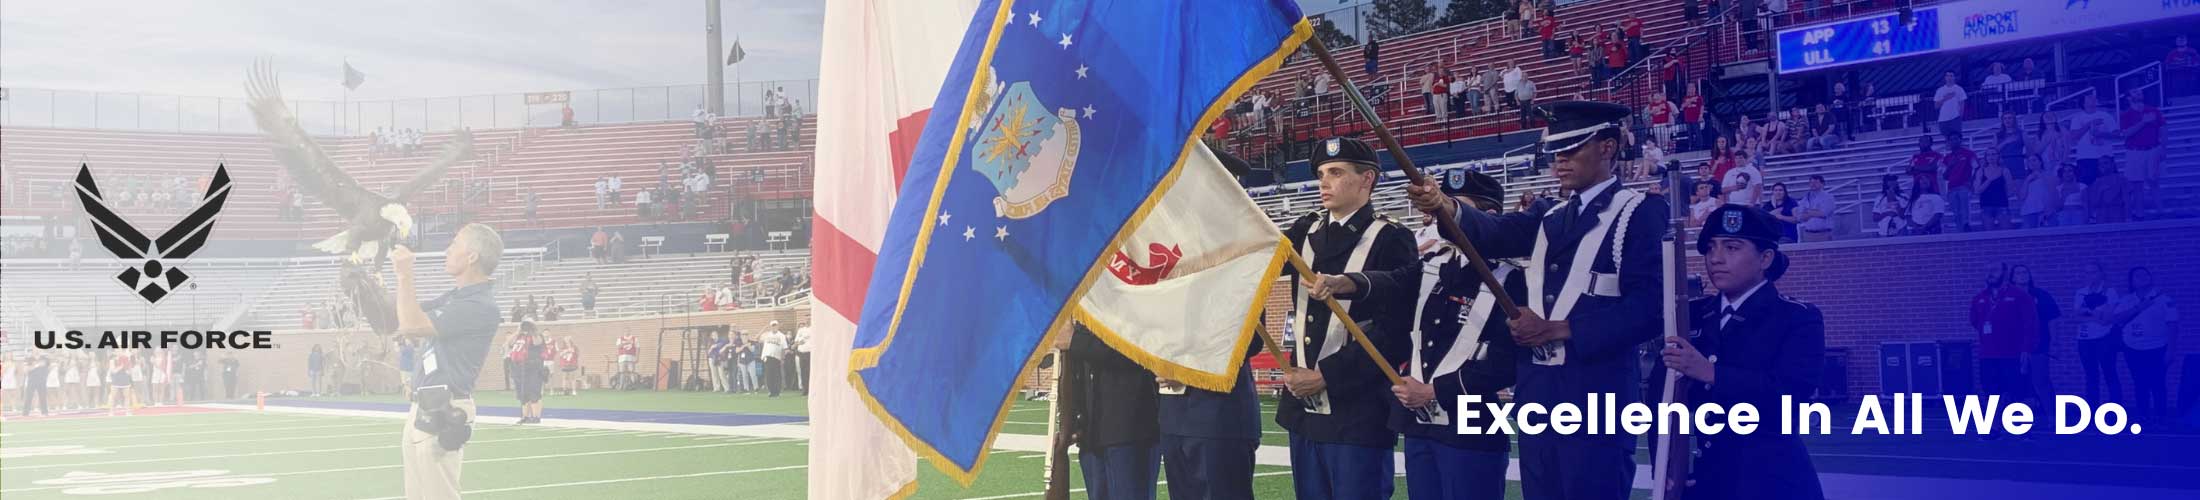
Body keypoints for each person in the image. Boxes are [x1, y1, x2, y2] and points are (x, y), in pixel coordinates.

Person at [1407, 101, 1668, 500]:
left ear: (1608, 148)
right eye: (1555, 153)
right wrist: (1447, 207)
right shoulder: (1550, 216)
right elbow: (1495, 232)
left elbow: (1649, 309)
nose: (1559, 162)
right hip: (1538, 393)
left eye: (1571, 150)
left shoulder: (1638, 212)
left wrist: (1561, 328)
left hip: (1596, 395)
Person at [1277, 137, 1420, 500]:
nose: (1324, 182)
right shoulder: (1304, 231)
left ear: (1367, 179)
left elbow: (1396, 332)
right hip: (1303, 410)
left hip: (1357, 409)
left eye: (1336, 173)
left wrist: (1326, 376)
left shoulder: (1391, 237)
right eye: (1322, 174)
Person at [1654, 204, 1826, 499]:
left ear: (1765, 258)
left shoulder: (1796, 317)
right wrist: (1668, 465)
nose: (1716, 259)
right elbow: (1661, 396)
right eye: (1710, 248)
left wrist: (1710, 373)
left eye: (1732, 247)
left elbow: (1790, 392)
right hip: (1705, 480)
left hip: (1773, 482)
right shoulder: (1692, 316)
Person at [1391, 171, 1523, 500]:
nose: (1440, 218)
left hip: (1476, 424)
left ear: (1487, 218)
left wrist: (1434, 391)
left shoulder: (1511, 279)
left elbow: (1508, 363)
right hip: (1421, 424)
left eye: (1452, 209)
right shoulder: (1432, 267)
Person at [389, 223, 505, 500]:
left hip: (444, 408)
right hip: (424, 404)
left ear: (472, 256)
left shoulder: (479, 305)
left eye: (454, 244)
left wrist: (405, 275)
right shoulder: (456, 297)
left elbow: (411, 324)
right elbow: (398, 318)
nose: (447, 250)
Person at [1057, 325, 1161, 500]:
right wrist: (1071, 416)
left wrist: (1076, 341)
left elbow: (1136, 349)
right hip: (1091, 429)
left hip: (1129, 427)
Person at [1971, 263, 2038, 425]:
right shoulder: (1980, 298)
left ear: (2005, 275)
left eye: (1995, 271)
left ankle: (2022, 428)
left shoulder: (2020, 296)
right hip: (1988, 354)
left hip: (2012, 353)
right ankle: (1993, 428)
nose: (1991, 274)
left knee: (2017, 392)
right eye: (1990, 271)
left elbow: (2030, 323)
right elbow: (1974, 321)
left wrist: (2025, 349)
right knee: (1991, 392)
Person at [2114, 267, 2177, 421]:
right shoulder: (2126, 300)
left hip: (2158, 348)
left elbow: (2173, 325)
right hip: (2133, 348)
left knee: (2158, 384)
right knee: (2140, 383)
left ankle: (2161, 417)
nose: (2142, 277)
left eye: (2145, 274)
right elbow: (2117, 319)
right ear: (2132, 282)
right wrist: (2138, 308)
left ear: (2150, 277)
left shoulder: (2164, 299)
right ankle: (2143, 416)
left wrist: (2171, 350)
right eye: (2137, 276)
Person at [2073, 262, 2123, 405]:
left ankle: (2115, 411)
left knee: (2110, 374)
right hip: (2084, 339)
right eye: (2087, 273)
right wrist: (2096, 314)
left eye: (2094, 272)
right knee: (2091, 376)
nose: (2090, 276)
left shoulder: (2110, 292)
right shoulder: (2080, 292)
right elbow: (2075, 317)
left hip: (2104, 339)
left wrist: (2087, 312)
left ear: (2101, 274)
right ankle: (2093, 410)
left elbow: (2107, 320)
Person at [2009, 265, 2059, 405]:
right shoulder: (2007, 297)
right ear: (2012, 278)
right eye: (2018, 273)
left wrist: (2054, 343)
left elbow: (2053, 319)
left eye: (2025, 272)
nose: (2022, 275)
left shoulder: (2041, 295)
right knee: (2015, 382)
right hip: (2014, 346)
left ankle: (2054, 417)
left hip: (2039, 344)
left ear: (2029, 275)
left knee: (2041, 381)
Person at [2120, 89, 2164, 217]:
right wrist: (2143, 122)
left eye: (2140, 91)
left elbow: (2163, 129)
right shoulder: (2125, 115)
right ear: (2128, 98)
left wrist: (2164, 149)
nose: (2139, 93)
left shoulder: (2154, 110)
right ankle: (2140, 214)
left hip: (2153, 149)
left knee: (2154, 182)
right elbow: (2125, 134)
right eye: (2134, 92)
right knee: (2137, 184)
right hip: (2134, 152)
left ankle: (2161, 212)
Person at [2065, 93, 2117, 184]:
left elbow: (2116, 134)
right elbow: (2074, 136)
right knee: (2088, 186)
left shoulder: (2106, 115)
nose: (2093, 99)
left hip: (2106, 156)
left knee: (2111, 184)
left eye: (2093, 97)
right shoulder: (2077, 118)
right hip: (2086, 157)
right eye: (2089, 98)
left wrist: (2101, 134)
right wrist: (2089, 124)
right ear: (2083, 103)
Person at [513, 322, 547, 424]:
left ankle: (536, 417)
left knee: (534, 392)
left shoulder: (537, 336)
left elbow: (537, 342)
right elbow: (509, 343)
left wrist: (533, 331)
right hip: (524, 367)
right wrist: (518, 331)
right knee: (524, 394)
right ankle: (525, 416)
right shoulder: (521, 336)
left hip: (535, 367)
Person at [1975, 151, 2010, 231]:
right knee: (1988, 234)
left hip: (2002, 205)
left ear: (1998, 156)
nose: (1991, 157)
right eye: (1989, 155)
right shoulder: (1981, 171)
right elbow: (1977, 190)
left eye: (1993, 154)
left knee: (2006, 233)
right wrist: (1989, 180)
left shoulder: (2005, 170)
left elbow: (2010, 189)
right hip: (1986, 205)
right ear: (1986, 157)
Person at [1795, 175, 1835, 243]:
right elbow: (1800, 216)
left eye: (1816, 182)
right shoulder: (1805, 198)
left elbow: (1823, 213)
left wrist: (1807, 211)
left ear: (1822, 184)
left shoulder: (1828, 197)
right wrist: (1814, 212)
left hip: (1824, 233)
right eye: (1811, 182)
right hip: (1808, 234)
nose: (1813, 184)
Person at [1933, 71, 1967, 141]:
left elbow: (1962, 104)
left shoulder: (1959, 89)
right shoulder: (1940, 90)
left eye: (1951, 76)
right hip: (1943, 119)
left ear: (1954, 77)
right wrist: (1945, 98)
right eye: (1947, 76)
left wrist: (1960, 117)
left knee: (1957, 138)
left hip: (1955, 117)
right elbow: (1936, 106)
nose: (1949, 78)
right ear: (1945, 78)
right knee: (1947, 140)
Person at [761, 322, 788, 397]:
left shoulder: (781, 336)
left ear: (778, 326)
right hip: (767, 357)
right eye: (772, 326)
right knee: (769, 375)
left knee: (777, 375)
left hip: (776, 357)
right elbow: (757, 338)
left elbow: (784, 348)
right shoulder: (767, 334)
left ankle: (777, 391)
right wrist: (764, 329)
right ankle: (771, 391)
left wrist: (782, 358)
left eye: (775, 326)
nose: (774, 327)